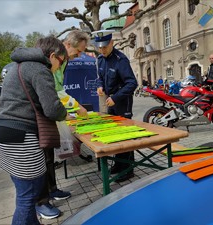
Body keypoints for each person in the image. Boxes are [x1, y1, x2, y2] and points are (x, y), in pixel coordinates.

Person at [0, 36, 68, 225]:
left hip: (3, 133)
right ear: (53, 56)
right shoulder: (40, 69)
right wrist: (65, 112)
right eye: (61, 62)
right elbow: (52, 108)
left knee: (24, 194)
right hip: (22, 137)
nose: (59, 67)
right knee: (28, 197)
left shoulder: (17, 66)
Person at [35, 30, 91, 220]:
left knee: (49, 157)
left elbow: (59, 90)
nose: (80, 55)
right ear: (68, 45)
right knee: (42, 160)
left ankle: (52, 190)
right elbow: (55, 92)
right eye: (78, 50)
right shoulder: (51, 61)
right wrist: (75, 107)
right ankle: (42, 202)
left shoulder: (62, 60)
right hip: (36, 121)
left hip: (49, 116)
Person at [92, 29, 138, 182]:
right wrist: (100, 86)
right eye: (99, 47)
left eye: (104, 46)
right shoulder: (101, 59)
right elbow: (100, 77)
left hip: (122, 102)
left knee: (125, 136)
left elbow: (132, 83)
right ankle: (119, 164)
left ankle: (128, 169)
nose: (102, 49)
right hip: (110, 101)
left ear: (111, 43)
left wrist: (116, 98)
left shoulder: (121, 59)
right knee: (115, 135)